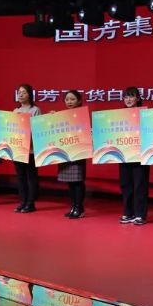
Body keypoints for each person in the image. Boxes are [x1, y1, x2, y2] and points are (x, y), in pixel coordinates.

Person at [119, 87, 150, 225]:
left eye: (131, 96)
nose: (128, 100)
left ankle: (140, 214)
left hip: (140, 156)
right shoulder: (119, 116)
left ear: (137, 98)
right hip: (124, 155)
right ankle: (128, 213)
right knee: (125, 185)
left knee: (140, 185)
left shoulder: (145, 114)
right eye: (126, 97)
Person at [58, 90, 88, 219]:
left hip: (77, 153)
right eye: (67, 99)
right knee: (69, 182)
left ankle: (79, 208)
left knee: (77, 181)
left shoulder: (82, 115)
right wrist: (53, 118)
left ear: (79, 101)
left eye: (72, 99)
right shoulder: (62, 116)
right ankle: (73, 206)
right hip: (65, 153)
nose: (69, 102)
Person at [13, 84, 40, 213]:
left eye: (24, 92)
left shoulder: (35, 110)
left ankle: (30, 203)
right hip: (18, 148)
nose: (21, 94)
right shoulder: (15, 111)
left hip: (30, 149)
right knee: (20, 177)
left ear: (30, 95)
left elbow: (38, 128)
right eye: (19, 92)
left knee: (31, 177)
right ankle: (23, 202)